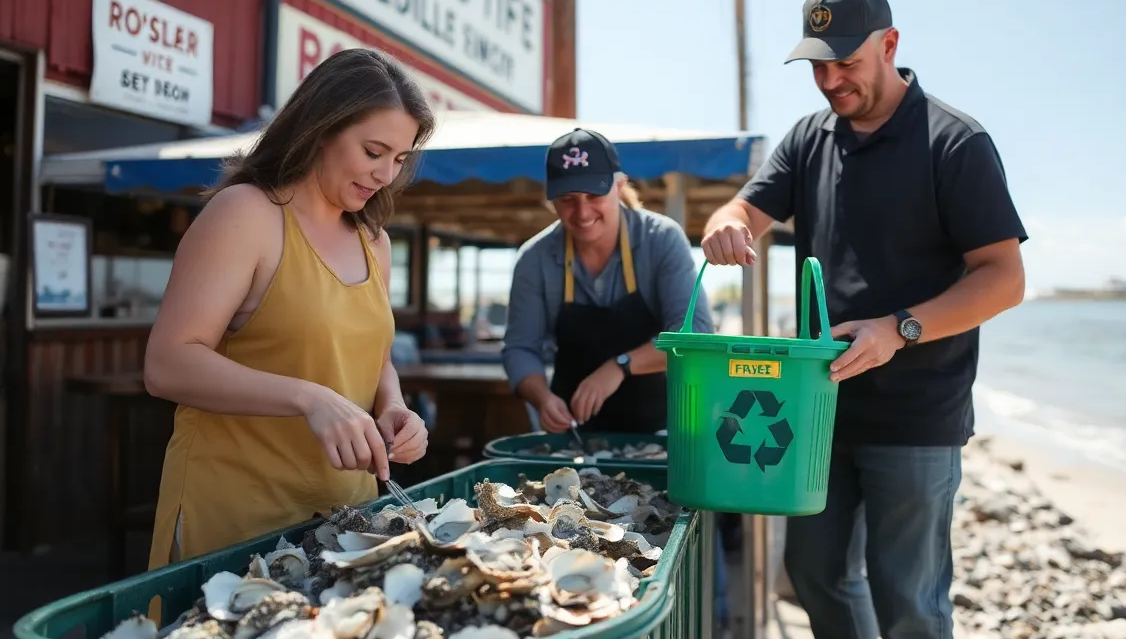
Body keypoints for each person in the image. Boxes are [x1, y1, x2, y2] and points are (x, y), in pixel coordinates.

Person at [701, 0, 1028, 639]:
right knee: (814, 572)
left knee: (910, 601)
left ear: (890, 45)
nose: (829, 80)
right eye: (817, 65)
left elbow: (1004, 278)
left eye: (845, 61)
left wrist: (899, 329)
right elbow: (746, 210)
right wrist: (725, 221)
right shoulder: (807, 138)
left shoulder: (956, 140)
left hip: (919, 412)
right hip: (818, 410)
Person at [144, 48, 434, 569]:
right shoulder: (245, 214)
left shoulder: (375, 241)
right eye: (374, 151)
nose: (386, 175)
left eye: (399, 159)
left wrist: (391, 406)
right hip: (235, 514)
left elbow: (373, 355)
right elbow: (168, 363)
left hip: (347, 517)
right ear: (322, 127)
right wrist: (309, 398)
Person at [502, 127, 714, 434]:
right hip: (573, 435)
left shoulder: (662, 239)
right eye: (568, 199)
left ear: (620, 185)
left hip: (662, 431)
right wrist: (542, 398)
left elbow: (696, 334)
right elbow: (520, 348)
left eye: (593, 195)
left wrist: (621, 365)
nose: (582, 212)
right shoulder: (534, 259)